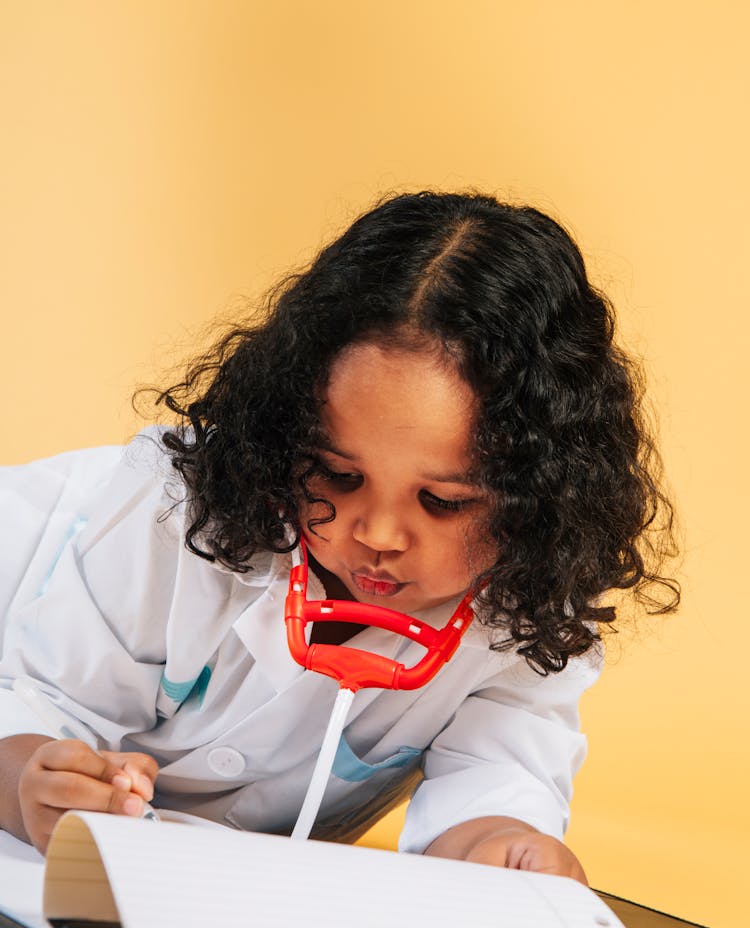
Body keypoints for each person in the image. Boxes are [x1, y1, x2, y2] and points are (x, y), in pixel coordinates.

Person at [0, 191, 678, 878]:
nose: (379, 534)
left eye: (443, 500)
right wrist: (36, 780)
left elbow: (492, 785)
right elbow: (39, 706)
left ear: (539, 496)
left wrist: (502, 849)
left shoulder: (529, 612)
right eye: (335, 473)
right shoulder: (174, 510)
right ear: (282, 433)